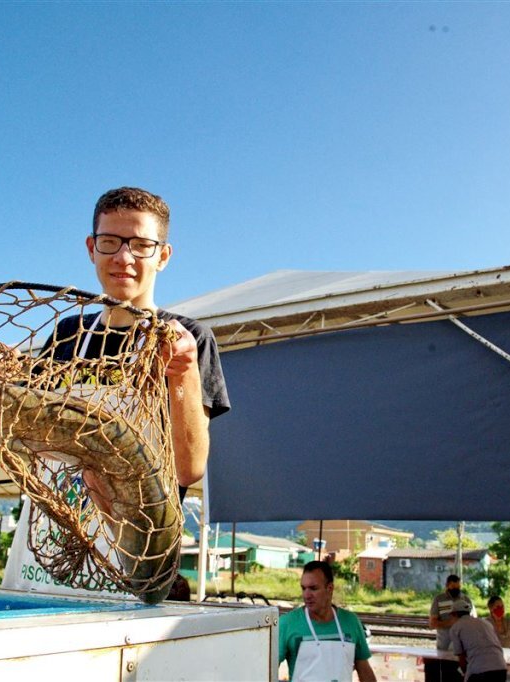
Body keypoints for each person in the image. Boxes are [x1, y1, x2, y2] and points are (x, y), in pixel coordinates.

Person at [39, 187, 231, 498]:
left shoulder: (188, 338)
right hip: (55, 525)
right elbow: (30, 440)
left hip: (140, 537)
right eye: (109, 242)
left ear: (163, 256)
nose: (123, 257)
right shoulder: (67, 333)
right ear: (92, 248)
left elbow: (188, 470)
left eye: (141, 245)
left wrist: (184, 376)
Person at [278, 560, 376, 682]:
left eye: (313, 588)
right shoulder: (287, 623)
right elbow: (265, 669)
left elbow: (364, 670)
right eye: (303, 588)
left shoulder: (351, 622)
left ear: (329, 588)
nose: (306, 595)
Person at [428, 574, 477, 682]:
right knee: (446, 676)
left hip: (464, 649)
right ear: (447, 586)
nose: (456, 590)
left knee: (461, 677)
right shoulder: (439, 599)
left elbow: (474, 621)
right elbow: (432, 624)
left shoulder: (466, 600)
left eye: (458, 587)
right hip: (444, 647)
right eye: (453, 587)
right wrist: (450, 623)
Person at [450, 597, 508, 682]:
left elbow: (461, 657)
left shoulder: (456, 628)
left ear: (454, 614)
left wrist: (465, 674)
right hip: (501, 668)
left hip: (480, 671)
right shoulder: (485, 623)